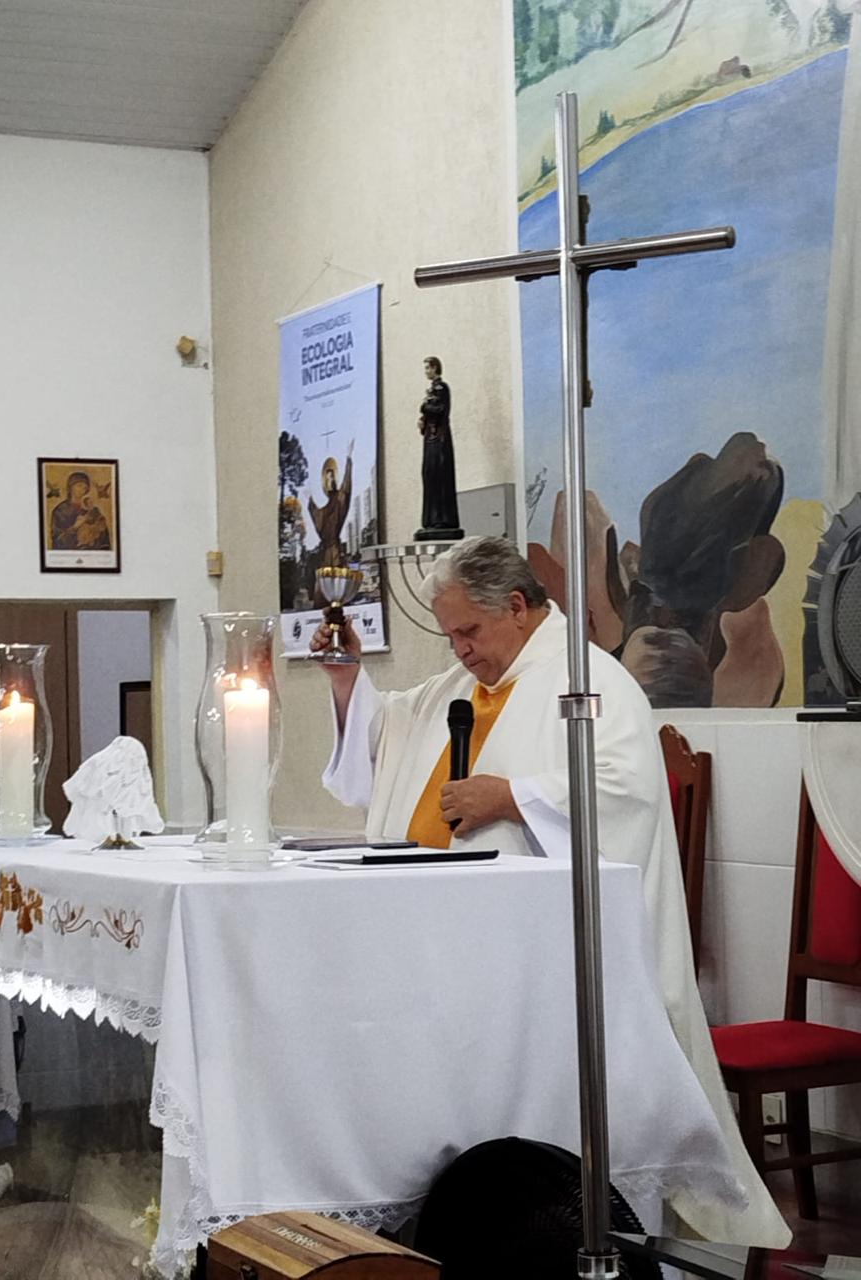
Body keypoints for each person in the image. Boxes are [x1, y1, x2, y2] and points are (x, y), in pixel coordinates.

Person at [311, 534, 789, 1249]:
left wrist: (513, 796)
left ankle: (556, 1223)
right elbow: (388, 737)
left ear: (516, 606)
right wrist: (347, 681)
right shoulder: (461, 686)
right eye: (451, 637)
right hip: (440, 940)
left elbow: (624, 793)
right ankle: (455, 1220)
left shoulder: (590, 681)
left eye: (470, 632)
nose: (461, 651)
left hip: (542, 962)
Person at [416, 356, 461, 538]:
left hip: (439, 440)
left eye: (428, 368)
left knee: (439, 476)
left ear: (435, 368)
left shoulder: (442, 388)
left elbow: (441, 410)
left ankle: (442, 519)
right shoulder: (432, 390)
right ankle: (431, 519)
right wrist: (423, 421)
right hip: (430, 439)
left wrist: (424, 407)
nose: (426, 371)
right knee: (429, 475)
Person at [306, 440, 354, 568]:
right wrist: (310, 501)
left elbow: (346, 485)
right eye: (327, 478)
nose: (330, 480)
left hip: (335, 551)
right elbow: (319, 520)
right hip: (326, 554)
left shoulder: (339, 498)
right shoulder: (326, 508)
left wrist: (348, 459)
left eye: (332, 477)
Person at [50, 471, 111, 551]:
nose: (82, 490)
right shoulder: (60, 511)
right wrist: (75, 527)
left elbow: (104, 540)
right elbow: (57, 542)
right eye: (79, 486)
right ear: (70, 488)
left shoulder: (93, 510)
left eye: (85, 487)